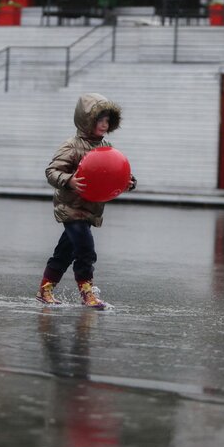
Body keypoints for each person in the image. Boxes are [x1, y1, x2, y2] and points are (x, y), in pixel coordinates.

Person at [36, 93, 136, 309]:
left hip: (90, 208)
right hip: (71, 207)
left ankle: (45, 289)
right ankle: (87, 291)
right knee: (86, 249)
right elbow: (51, 171)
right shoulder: (72, 145)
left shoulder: (106, 146)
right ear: (86, 121)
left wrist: (128, 181)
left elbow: (114, 171)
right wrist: (69, 181)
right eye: (99, 120)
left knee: (65, 252)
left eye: (107, 121)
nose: (104, 124)